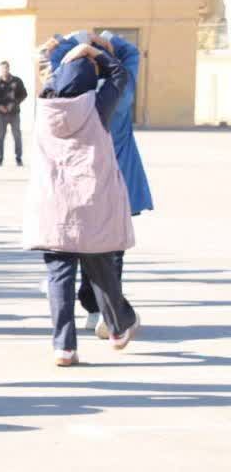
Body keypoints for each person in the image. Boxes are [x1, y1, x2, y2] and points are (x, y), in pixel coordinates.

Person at [23, 42, 140, 365]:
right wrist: (93, 52)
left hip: (54, 207)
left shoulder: (44, 107)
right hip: (91, 205)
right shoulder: (97, 106)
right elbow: (119, 75)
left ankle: (64, 347)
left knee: (59, 276)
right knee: (101, 269)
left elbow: (49, 79)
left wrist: (66, 62)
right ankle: (117, 328)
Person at [45, 31, 153, 337]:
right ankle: (106, 313)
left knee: (79, 248)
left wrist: (76, 40)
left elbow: (56, 58)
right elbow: (131, 53)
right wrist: (105, 40)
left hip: (75, 185)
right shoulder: (119, 93)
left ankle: (90, 311)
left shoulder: (61, 101)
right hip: (118, 182)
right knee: (112, 250)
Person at [0, 60, 27, 166]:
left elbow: (24, 94)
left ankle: (18, 158)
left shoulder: (17, 81)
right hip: (2, 115)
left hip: (14, 113)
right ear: (0, 70)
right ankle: (0, 158)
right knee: (0, 137)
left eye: (6, 68)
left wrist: (14, 103)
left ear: (9, 68)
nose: (4, 70)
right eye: (2, 68)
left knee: (17, 136)